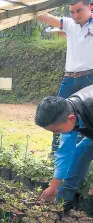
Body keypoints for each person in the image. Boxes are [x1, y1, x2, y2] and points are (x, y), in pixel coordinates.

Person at [37, 0, 93, 153]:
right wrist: (27, 6)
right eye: (72, 12)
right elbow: (43, 16)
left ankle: (80, 154)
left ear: (91, 7)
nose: (75, 15)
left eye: (79, 11)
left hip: (90, 78)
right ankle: (56, 154)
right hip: (69, 78)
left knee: (85, 118)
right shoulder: (69, 24)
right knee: (57, 114)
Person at [35, 84, 93, 209]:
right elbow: (65, 152)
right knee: (79, 155)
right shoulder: (68, 110)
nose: (57, 134)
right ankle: (62, 204)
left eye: (58, 130)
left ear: (71, 119)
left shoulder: (86, 109)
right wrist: (53, 187)